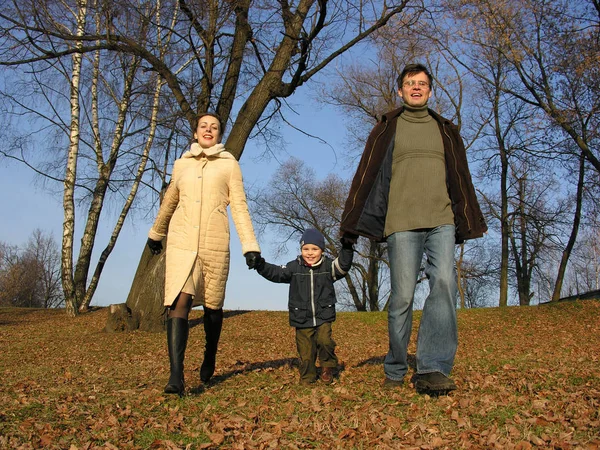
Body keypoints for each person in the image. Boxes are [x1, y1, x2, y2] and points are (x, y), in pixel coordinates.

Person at [340, 63, 487, 395]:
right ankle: (394, 366)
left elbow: (461, 179)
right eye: (410, 83)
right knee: (403, 296)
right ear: (400, 91)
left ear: (431, 90)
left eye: (422, 83)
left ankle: (433, 367)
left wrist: (466, 217)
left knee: (445, 283)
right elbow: (364, 177)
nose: (416, 88)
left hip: (442, 220)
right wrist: (349, 227)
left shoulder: (446, 130)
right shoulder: (387, 129)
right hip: (401, 223)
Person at [146, 112, 262, 396]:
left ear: (219, 134)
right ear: (195, 133)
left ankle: (210, 353)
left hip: (215, 243)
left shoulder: (229, 164)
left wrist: (250, 246)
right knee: (178, 302)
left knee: (212, 305)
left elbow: (240, 206)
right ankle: (176, 377)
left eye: (214, 127)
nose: (208, 130)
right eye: (203, 126)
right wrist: (156, 232)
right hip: (182, 241)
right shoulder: (181, 164)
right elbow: (171, 198)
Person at [252, 228, 354, 385]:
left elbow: (343, 265)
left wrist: (347, 247)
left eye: (315, 249)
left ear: (322, 250)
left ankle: (327, 367)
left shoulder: (328, 267)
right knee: (305, 351)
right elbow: (276, 273)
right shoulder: (294, 267)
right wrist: (260, 264)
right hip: (301, 317)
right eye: (306, 249)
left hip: (323, 315)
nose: (310, 253)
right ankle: (308, 376)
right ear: (301, 250)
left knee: (325, 341)